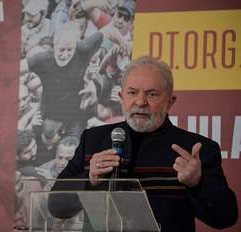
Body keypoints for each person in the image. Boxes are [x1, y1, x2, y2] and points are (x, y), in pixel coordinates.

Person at [49, 56, 238, 231]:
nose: (140, 101)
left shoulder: (195, 150)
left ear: (170, 102)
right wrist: (88, 180)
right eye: (132, 93)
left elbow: (225, 218)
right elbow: (56, 207)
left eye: (152, 94)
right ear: (122, 98)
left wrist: (197, 183)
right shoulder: (93, 140)